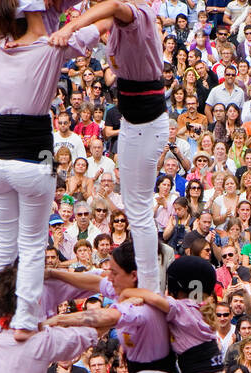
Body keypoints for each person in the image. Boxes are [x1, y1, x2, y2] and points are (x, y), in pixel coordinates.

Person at [0, 0, 99, 338]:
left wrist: (1, 11)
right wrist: (64, 25)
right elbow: (105, 22)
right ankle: (24, 319)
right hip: (33, 159)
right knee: (32, 244)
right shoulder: (50, 46)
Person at [51, 0, 168, 291]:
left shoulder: (137, 14)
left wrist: (70, 25)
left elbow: (114, 8)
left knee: (139, 209)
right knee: (132, 204)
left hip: (148, 124)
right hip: (131, 122)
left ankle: (150, 287)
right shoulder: (116, 23)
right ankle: (147, 275)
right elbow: (96, 27)